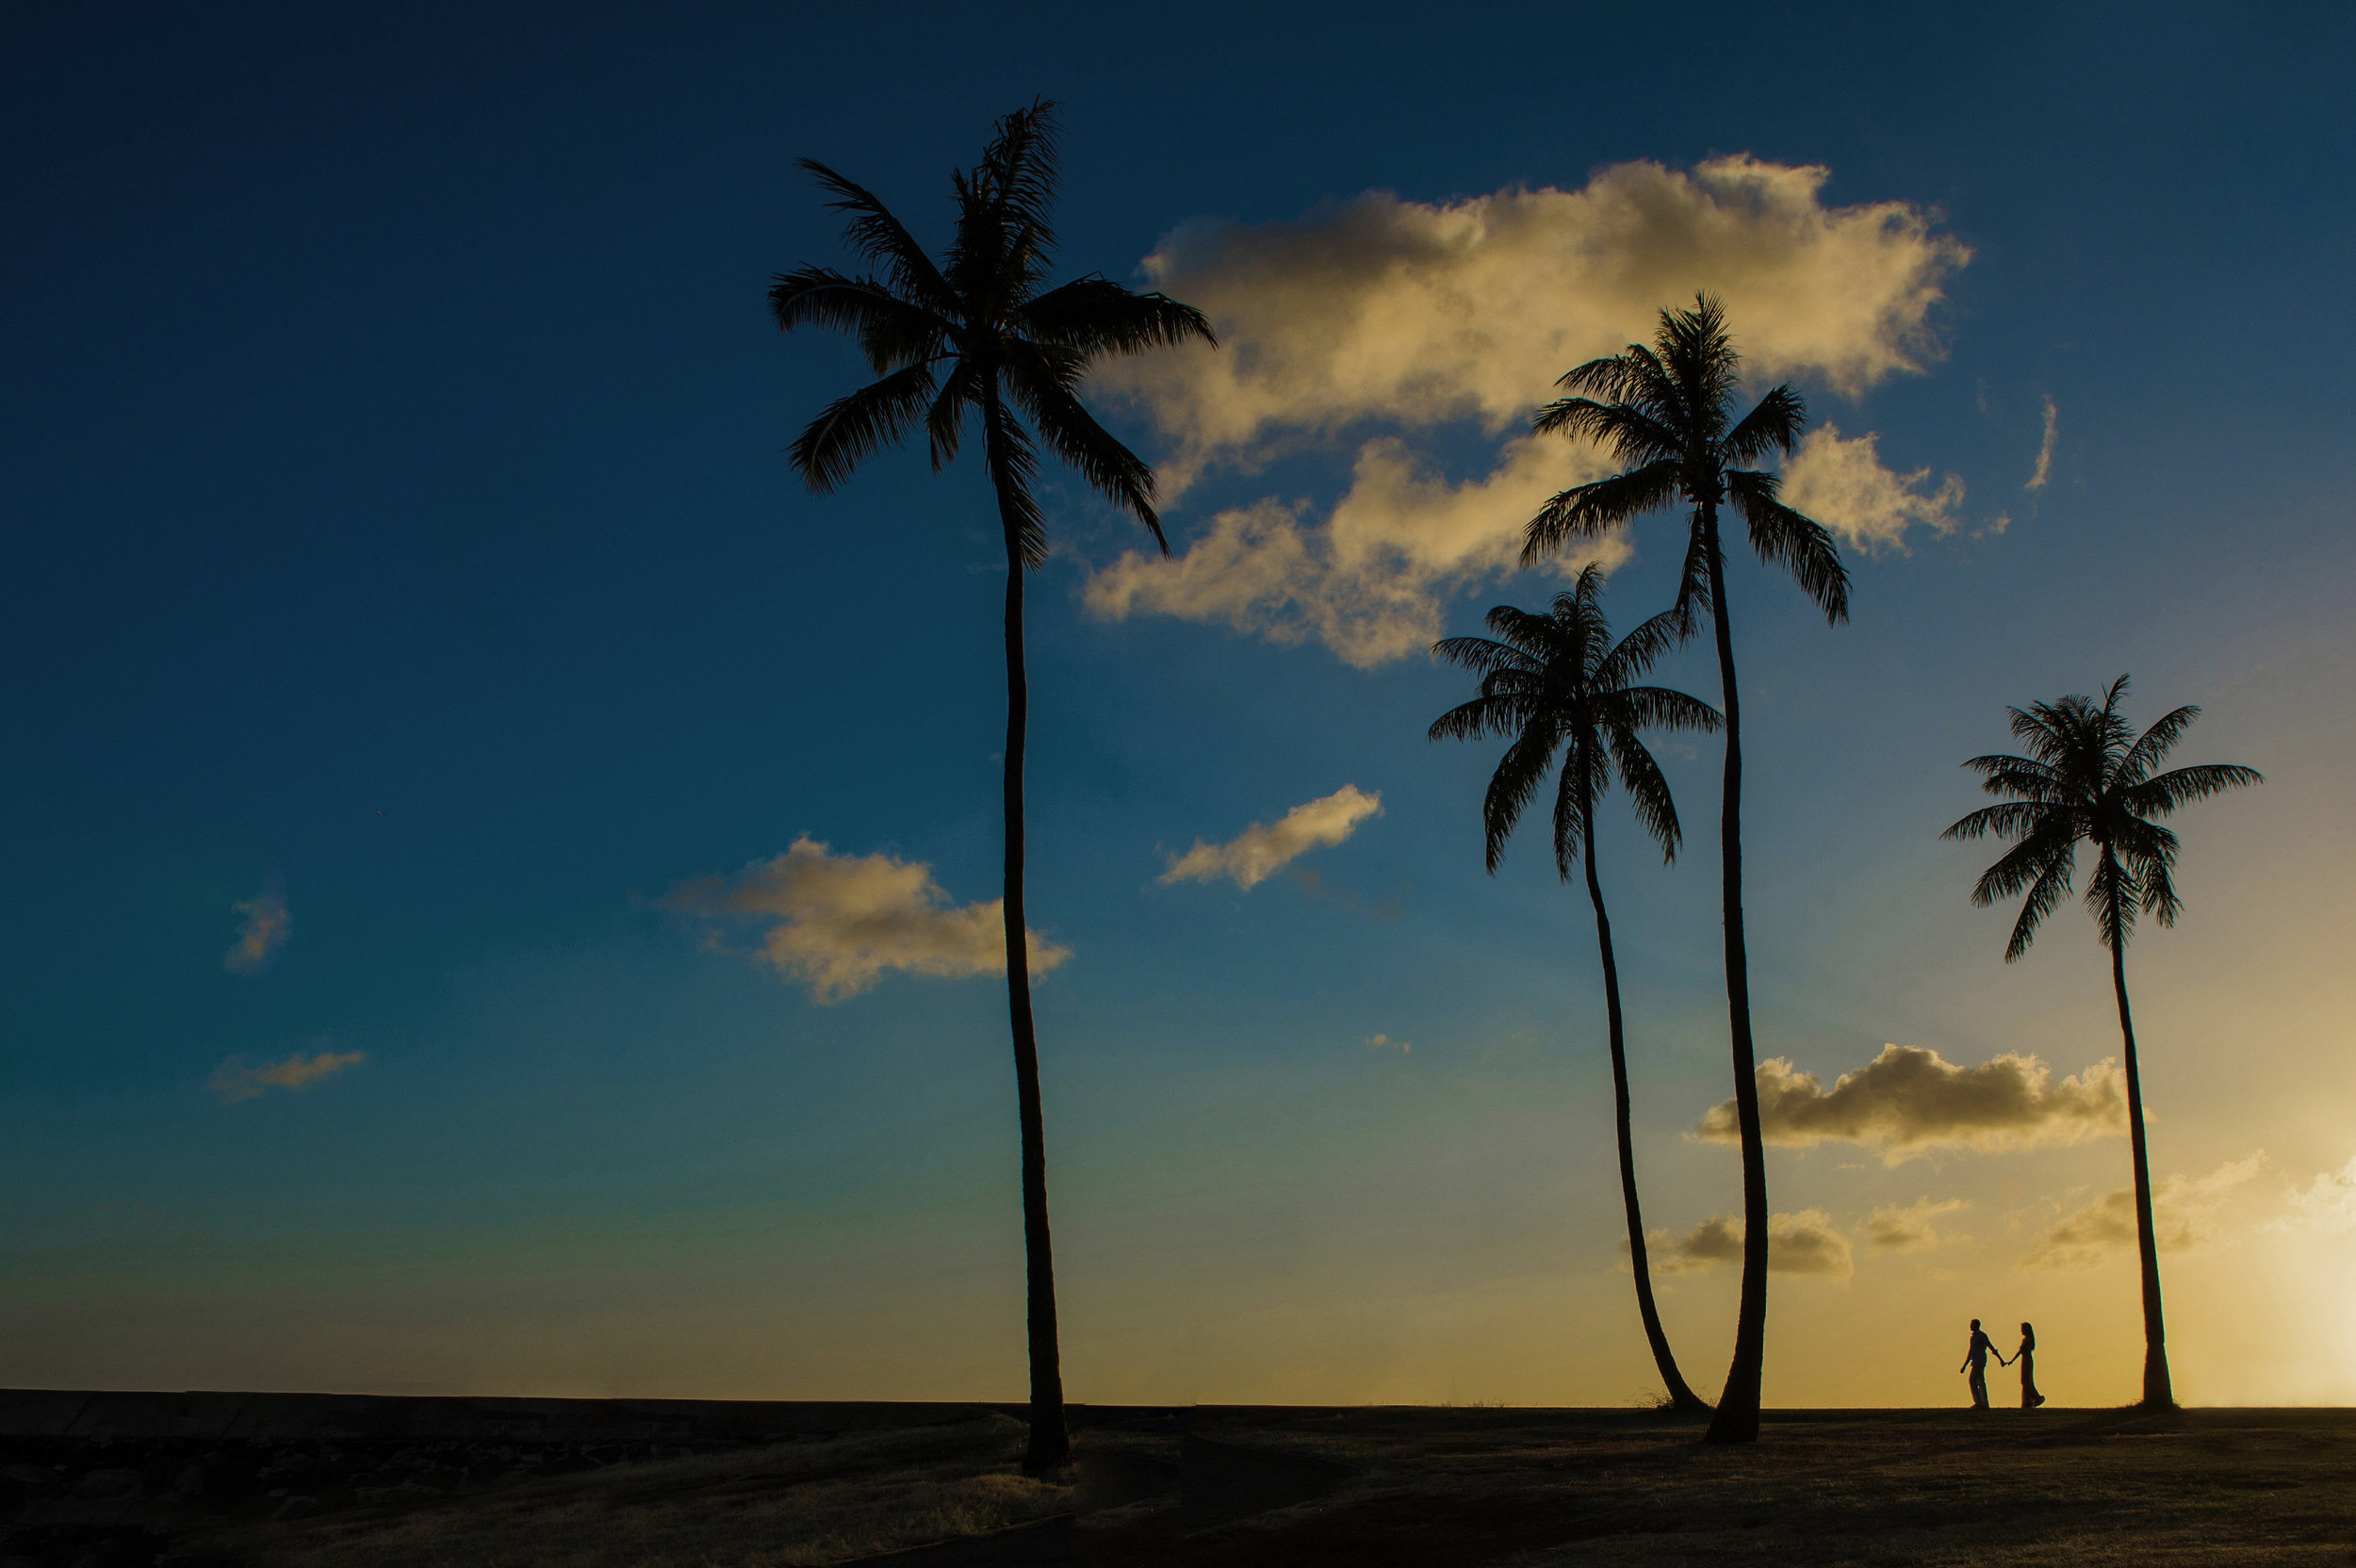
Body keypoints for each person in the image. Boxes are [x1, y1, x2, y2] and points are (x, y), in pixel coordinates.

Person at [1960, 1318, 1998, 1410]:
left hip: (1979, 1360)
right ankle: (1984, 1403)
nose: (1970, 1326)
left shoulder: (1981, 1336)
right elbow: (1971, 1352)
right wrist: (1964, 1365)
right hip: (1976, 1360)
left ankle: (1979, 1402)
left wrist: (1999, 1358)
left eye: (1971, 1324)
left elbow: (1990, 1346)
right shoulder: (1973, 1337)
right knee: (1980, 1381)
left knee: (1972, 1380)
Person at [2006, 1321, 2046, 1408]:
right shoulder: (2027, 1339)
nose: (2021, 1331)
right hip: (2025, 1360)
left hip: (2027, 1361)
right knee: (2025, 1381)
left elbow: (2021, 1351)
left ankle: (2036, 1398)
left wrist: (2012, 1360)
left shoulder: (2028, 1340)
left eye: (2022, 1329)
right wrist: (2012, 1361)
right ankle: (2027, 1401)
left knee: (2026, 1381)